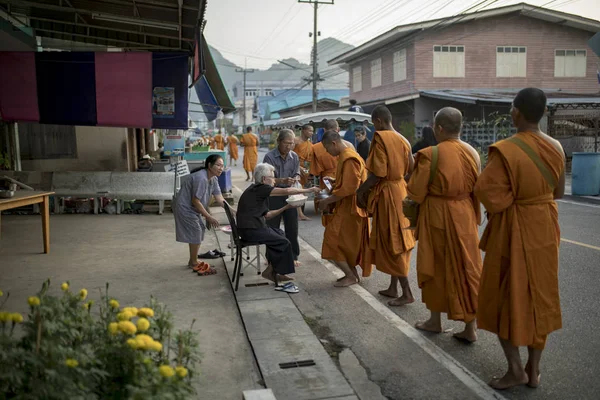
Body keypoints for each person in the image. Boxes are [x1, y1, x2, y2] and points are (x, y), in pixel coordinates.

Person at [474, 88, 566, 390]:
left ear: (517, 113)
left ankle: (515, 369)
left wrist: (513, 200)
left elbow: (488, 194)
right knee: (541, 296)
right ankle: (534, 370)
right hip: (545, 225)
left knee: (505, 296)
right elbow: (559, 193)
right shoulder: (556, 147)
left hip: (516, 227)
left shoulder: (506, 149)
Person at [407, 107, 482, 342]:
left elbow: (416, 193)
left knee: (435, 267)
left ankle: (434, 321)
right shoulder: (473, 153)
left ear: (438, 128)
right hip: (465, 215)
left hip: (438, 216)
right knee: (466, 268)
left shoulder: (431, 154)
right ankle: (470, 328)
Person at [356, 105, 416, 307]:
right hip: (401, 190)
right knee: (397, 236)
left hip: (389, 195)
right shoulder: (403, 139)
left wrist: (360, 191)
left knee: (393, 240)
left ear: (379, 121)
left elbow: (377, 173)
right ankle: (393, 287)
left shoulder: (380, 138)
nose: (375, 128)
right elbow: (411, 169)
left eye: (374, 124)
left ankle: (407, 292)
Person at [237, 163, 320, 290]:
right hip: (251, 230)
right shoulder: (261, 188)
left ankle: (273, 271)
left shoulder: (257, 190)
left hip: (253, 227)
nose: (275, 180)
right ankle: (274, 272)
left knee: (280, 233)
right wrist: (308, 190)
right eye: (272, 177)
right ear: (264, 179)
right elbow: (286, 190)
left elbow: (268, 215)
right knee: (284, 242)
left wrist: (286, 207)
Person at [318, 130, 372, 287]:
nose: (328, 152)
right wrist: (335, 180)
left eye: (327, 149)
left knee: (332, 242)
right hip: (346, 206)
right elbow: (349, 181)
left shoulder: (349, 158)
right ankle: (352, 274)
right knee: (343, 244)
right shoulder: (345, 156)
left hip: (351, 208)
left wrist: (327, 201)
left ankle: (350, 275)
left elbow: (349, 189)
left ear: (334, 143)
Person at [173, 154, 225, 275]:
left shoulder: (213, 178)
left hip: (193, 208)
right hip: (185, 207)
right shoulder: (201, 178)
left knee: (199, 230)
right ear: (209, 166)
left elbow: (220, 199)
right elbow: (195, 200)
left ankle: (193, 260)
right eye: (218, 165)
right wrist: (209, 217)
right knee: (196, 230)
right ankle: (193, 261)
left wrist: (233, 211)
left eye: (222, 166)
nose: (221, 168)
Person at [263, 129, 302, 267]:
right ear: (279, 141)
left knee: (292, 226)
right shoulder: (269, 157)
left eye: (291, 143)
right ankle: (271, 257)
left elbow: (297, 172)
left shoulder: (294, 156)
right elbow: (267, 179)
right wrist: (282, 181)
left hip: (290, 195)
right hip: (274, 195)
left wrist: (296, 178)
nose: (289, 146)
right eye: (286, 143)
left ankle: (293, 256)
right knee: (272, 227)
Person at [294, 124, 314, 221]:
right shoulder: (295, 141)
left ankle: (300, 213)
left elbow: (310, 160)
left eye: (312, 131)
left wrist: (308, 172)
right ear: (303, 130)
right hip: (294, 167)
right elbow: (289, 155)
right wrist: (298, 167)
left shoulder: (310, 144)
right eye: (310, 130)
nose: (312, 133)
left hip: (304, 169)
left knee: (302, 191)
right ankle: (300, 214)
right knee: (297, 190)